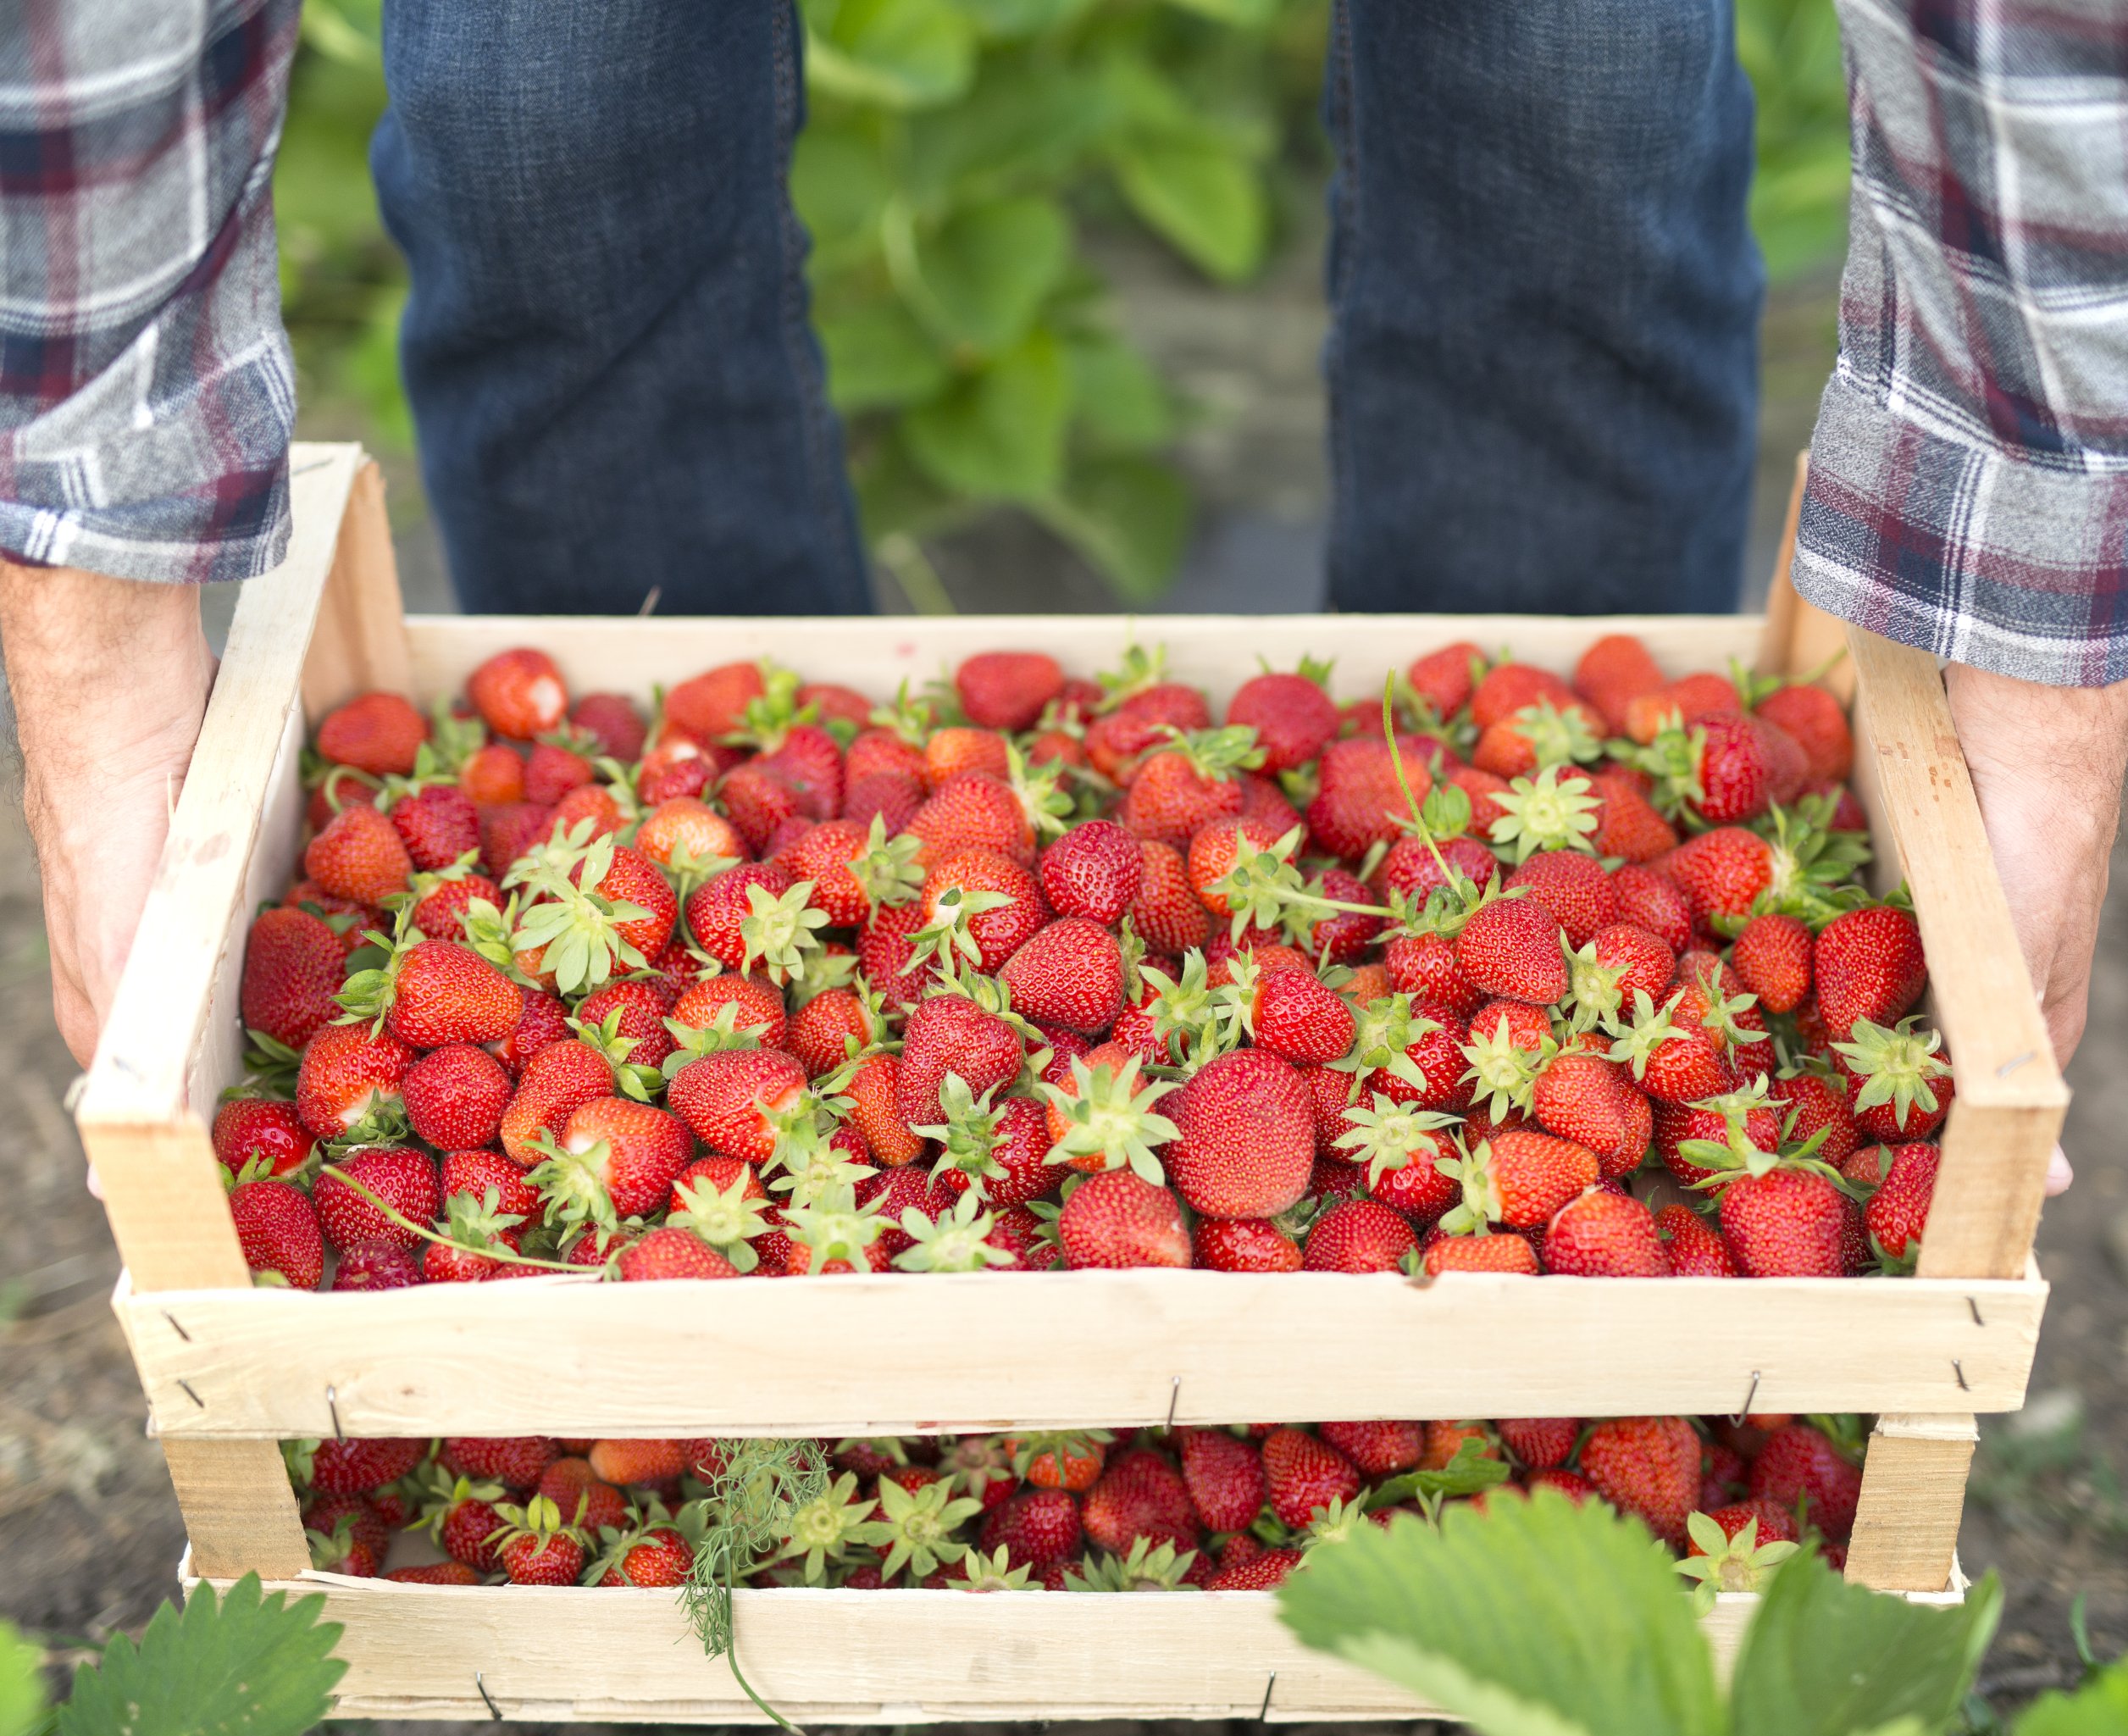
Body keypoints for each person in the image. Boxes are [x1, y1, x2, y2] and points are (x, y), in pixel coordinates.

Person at [2, 0, 2123, 1188]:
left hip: (1375, 1048)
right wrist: (91, 630)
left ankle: (1556, 956)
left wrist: (2041, 642)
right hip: (857, 1037)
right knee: (548, 113)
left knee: (1559, 97)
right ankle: (700, 848)